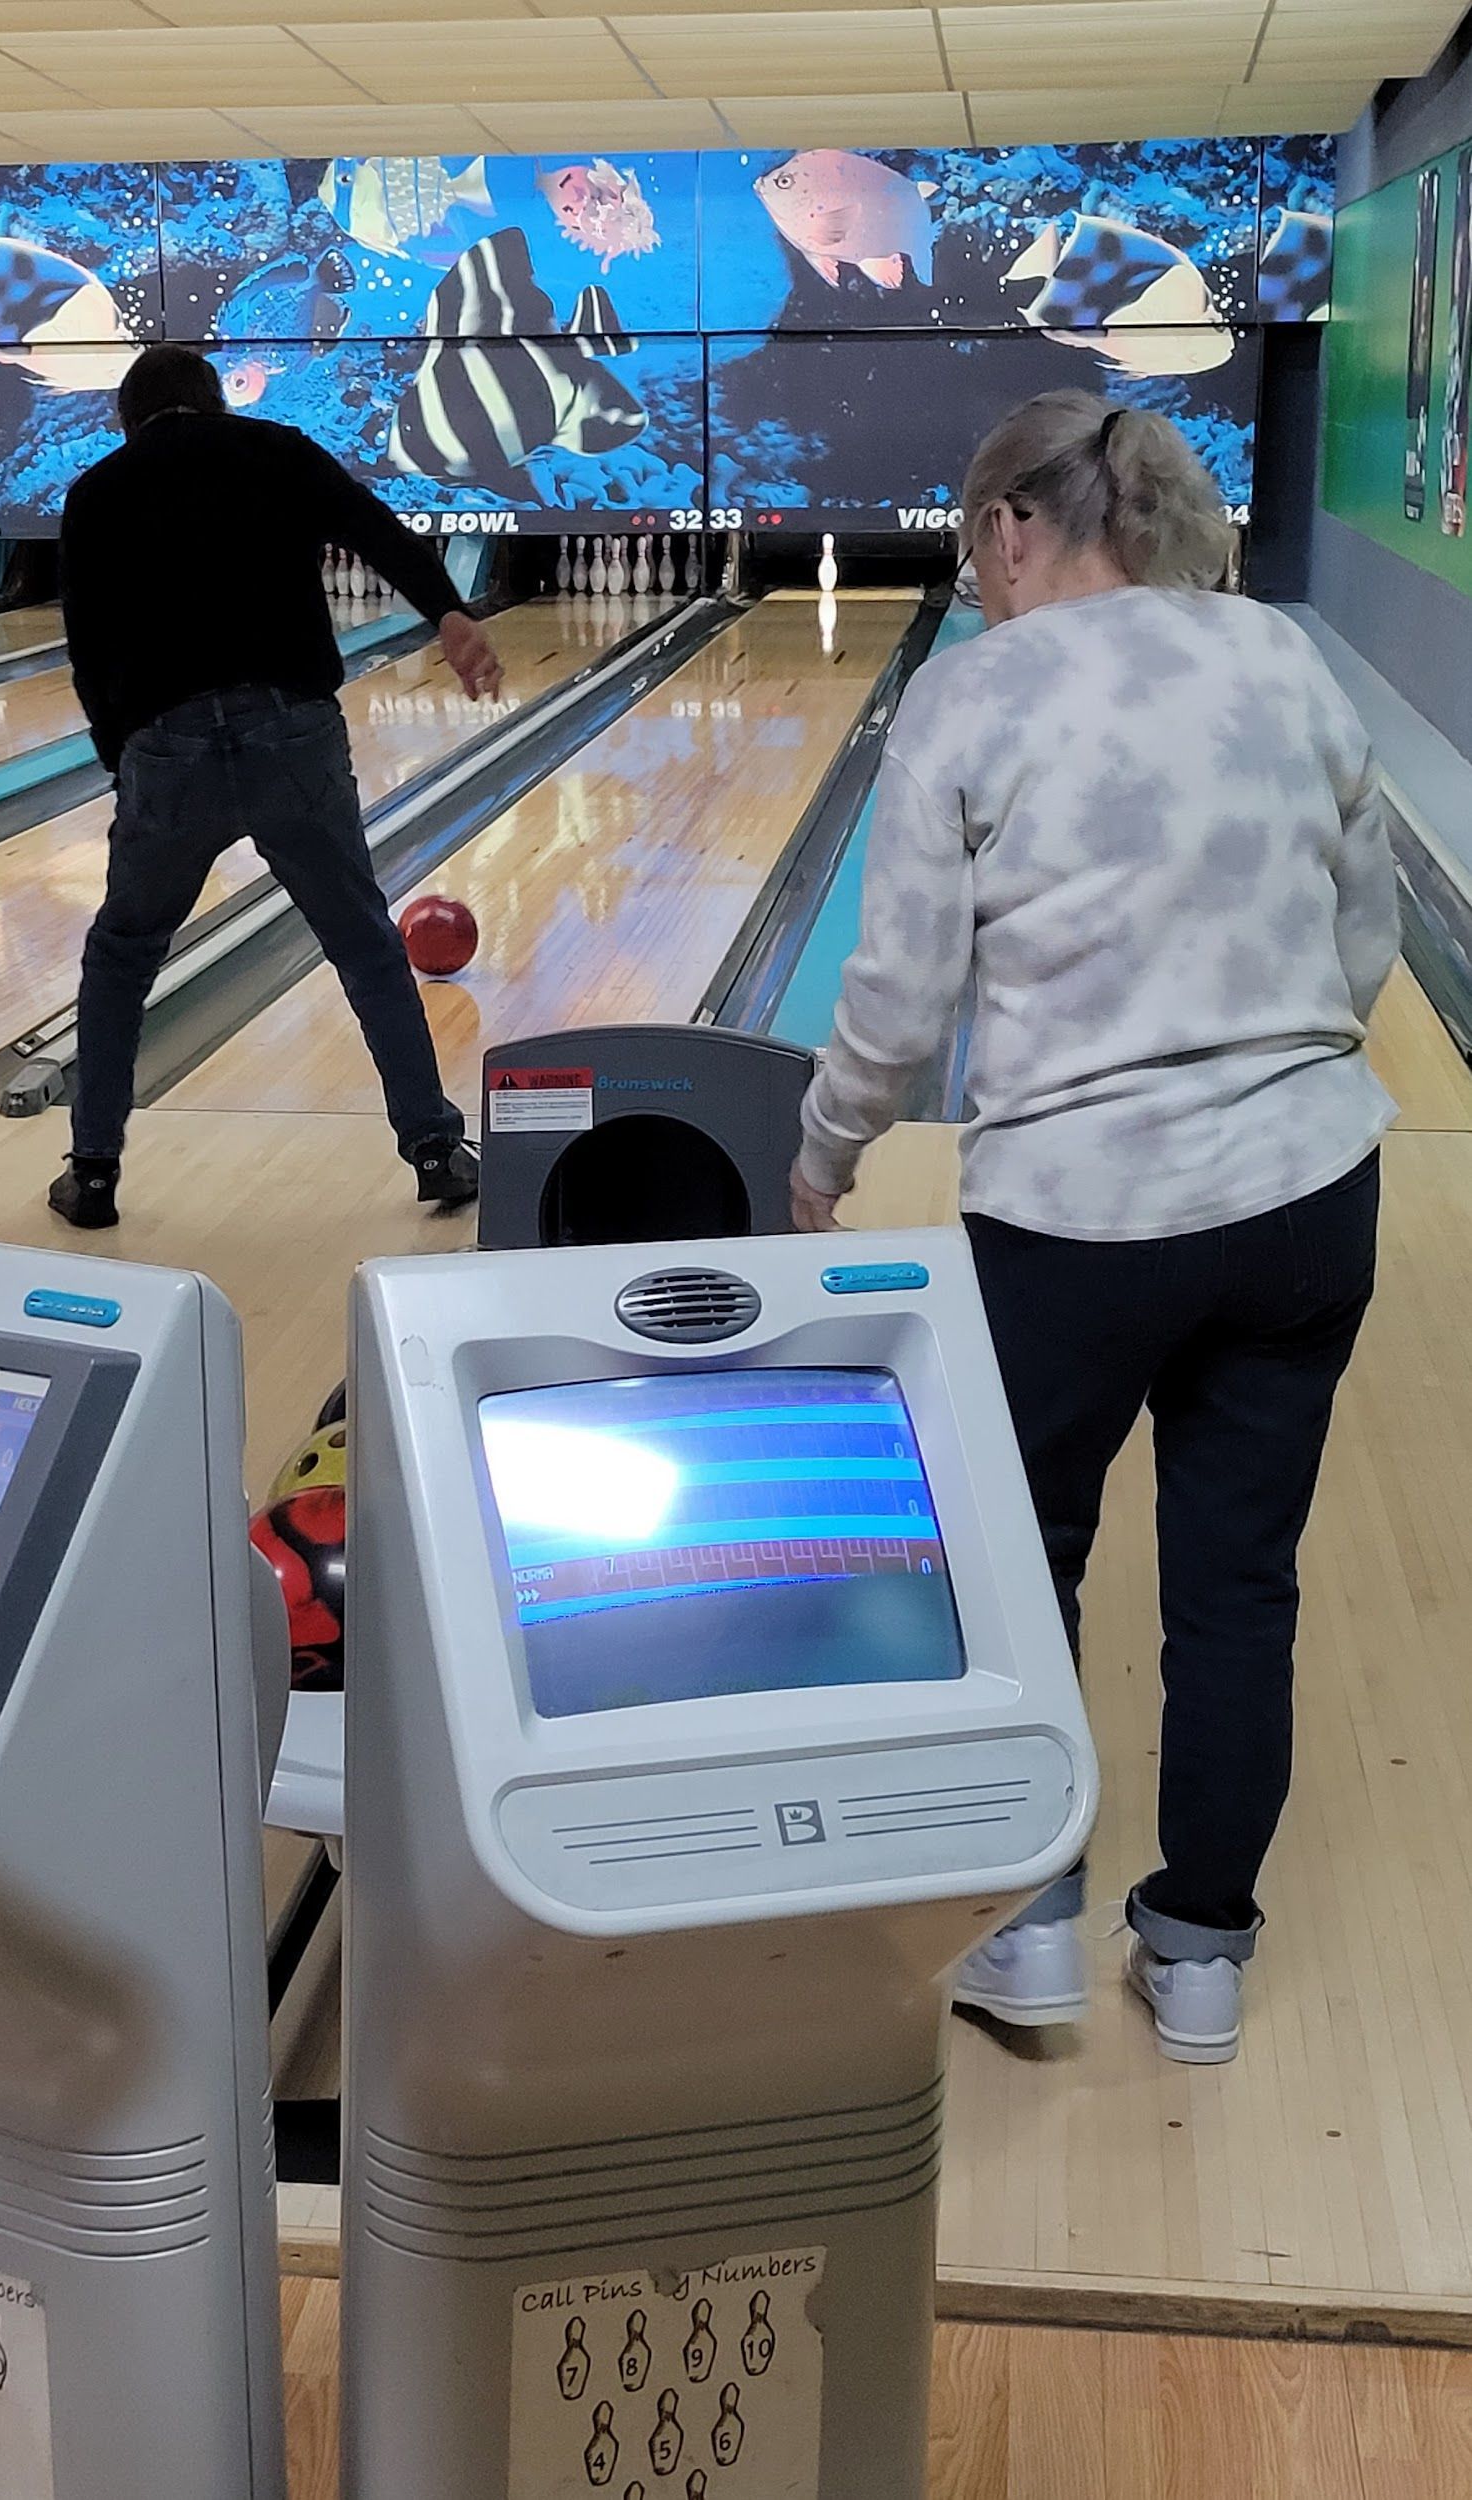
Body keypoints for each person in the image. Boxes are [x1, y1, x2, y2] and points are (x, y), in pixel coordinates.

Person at [791, 391, 1399, 2065]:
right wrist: (1273, 1061)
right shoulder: (1275, 653)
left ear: (1009, 528)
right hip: (1308, 1199)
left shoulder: (974, 691)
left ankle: (1031, 1928)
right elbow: (1370, 924)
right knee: (1237, 1583)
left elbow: (901, 1001)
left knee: (1018, 1567)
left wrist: (827, 1148)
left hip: (1078, 1223)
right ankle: (1200, 1953)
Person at [52, 343, 503, 1228]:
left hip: (168, 747)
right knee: (367, 944)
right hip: (290, 731)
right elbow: (378, 531)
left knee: (122, 956)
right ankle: (434, 1148)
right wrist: (449, 611)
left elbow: (87, 645)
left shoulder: (96, 491)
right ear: (215, 402)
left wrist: (128, 760)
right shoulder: (276, 448)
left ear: (127, 419)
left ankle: (94, 1172)